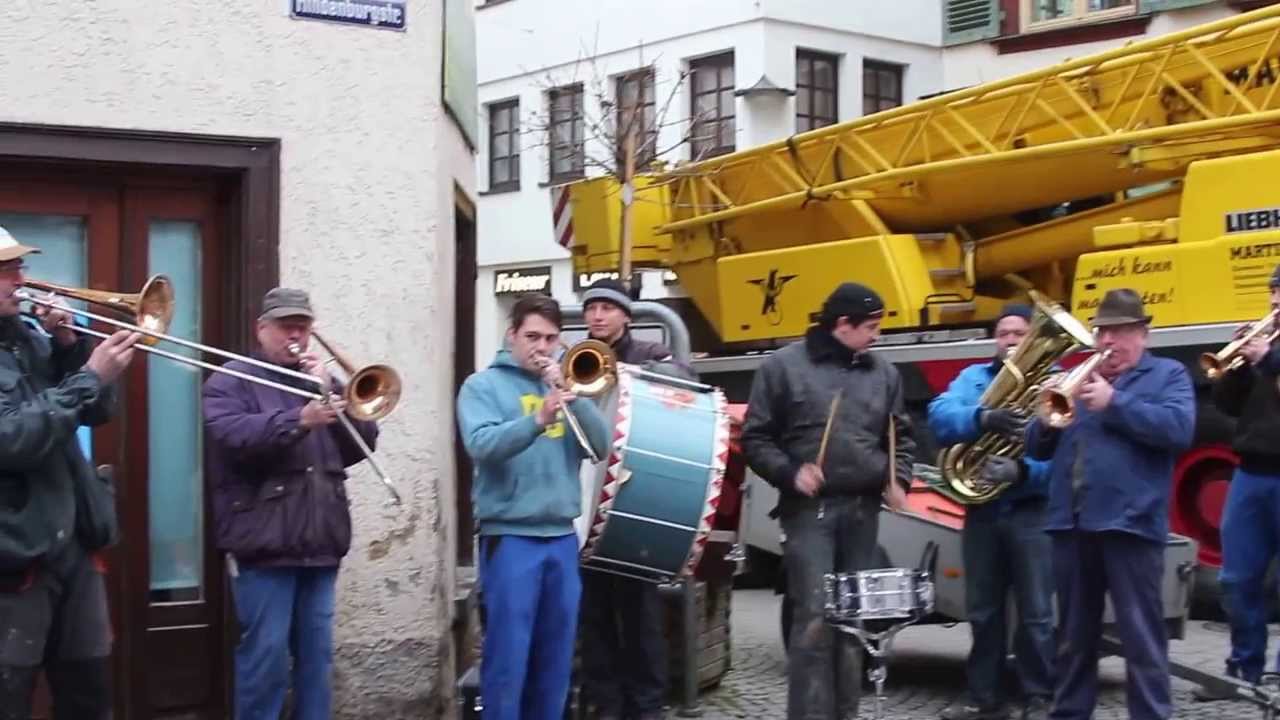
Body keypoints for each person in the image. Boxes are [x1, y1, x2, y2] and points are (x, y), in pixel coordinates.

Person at [740, 282, 916, 720]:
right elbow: (755, 438)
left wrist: (900, 479)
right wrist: (790, 472)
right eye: (871, 327)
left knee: (853, 622)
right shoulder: (781, 367)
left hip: (862, 511)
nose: (877, 335)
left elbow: (903, 438)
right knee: (815, 620)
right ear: (843, 324)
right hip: (808, 512)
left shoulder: (884, 374)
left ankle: (847, 714)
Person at [202, 287, 379, 720]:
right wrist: (299, 419)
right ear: (262, 329)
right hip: (264, 545)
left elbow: (361, 446)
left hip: (320, 543)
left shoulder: (320, 381)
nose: (294, 335)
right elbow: (235, 437)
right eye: (285, 326)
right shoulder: (229, 381)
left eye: (301, 326)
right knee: (265, 661)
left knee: (316, 662)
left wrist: (330, 393)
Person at [1025, 288, 1194, 720]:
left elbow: (1178, 430)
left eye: (1120, 332)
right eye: (1102, 332)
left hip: (1130, 525)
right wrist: (1043, 423)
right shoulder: (1075, 377)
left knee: (1141, 637)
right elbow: (1038, 449)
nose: (1109, 343)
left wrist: (1115, 403)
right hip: (1071, 524)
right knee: (1073, 637)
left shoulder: (1168, 375)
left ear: (1143, 335)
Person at [0, 226, 141, 719]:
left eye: (20, 265)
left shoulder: (29, 341)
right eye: (7, 269)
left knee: (88, 695)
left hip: (72, 545)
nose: (22, 277)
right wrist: (87, 377)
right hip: (14, 557)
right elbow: (11, 439)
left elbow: (96, 411)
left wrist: (68, 346)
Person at [457, 294, 611, 720]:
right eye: (531, 337)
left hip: (561, 537)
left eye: (550, 338)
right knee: (508, 659)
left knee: (556, 661)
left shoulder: (566, 384)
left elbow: (601, 448)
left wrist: (573, 394)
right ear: (511, 335)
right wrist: (537, 419)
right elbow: (482, 445)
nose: (541, 348)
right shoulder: (482, 387)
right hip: (510, 537)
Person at [577, 278, 696, 720]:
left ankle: (646, 707)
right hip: (591, 500)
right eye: (592, 308)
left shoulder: (649, 354)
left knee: (641, 614)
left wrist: (628, 375)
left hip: (638, 501)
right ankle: (604, 704)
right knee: (594, 616)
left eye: (608, 308)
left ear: (626, 315)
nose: (598, 316)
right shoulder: (575, 358)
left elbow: (685, 382)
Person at [929, 303, 1054, 720]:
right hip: (983, 511)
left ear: (1032, 337)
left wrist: (1022, 471)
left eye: (1019, 333)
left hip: (1033, 513)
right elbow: (940, 415)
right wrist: (984, 417)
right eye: (1003, 333)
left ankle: (1040, 695)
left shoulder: (1052, 383)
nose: (1011, 340)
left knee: (1037, 613)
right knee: (983, 611)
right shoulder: (973, 378)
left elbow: (1068, 460)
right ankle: (984, 698)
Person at [1212, 263, 1280, 687]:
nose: (1274, 309)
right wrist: (1236, 363)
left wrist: (1267, 358)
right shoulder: (1266, 351)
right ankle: (1245, 666)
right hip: (1252, 474)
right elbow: (1229, 406)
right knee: (1236, 580)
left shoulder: (1271, 354)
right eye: (1273, 301)